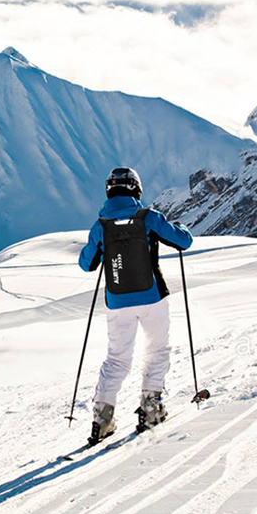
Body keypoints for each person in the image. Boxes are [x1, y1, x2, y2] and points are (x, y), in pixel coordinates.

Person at [78, 168, 193, 443]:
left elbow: (86, 264)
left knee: (117, 358)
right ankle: (151, 408)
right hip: (152, 296)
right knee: (157, 349)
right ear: (136, 189)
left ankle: (102, 418)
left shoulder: (101, 226)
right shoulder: (149, 218)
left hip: (117, 301)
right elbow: (184, 241)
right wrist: (181, 226)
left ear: (109, 191)